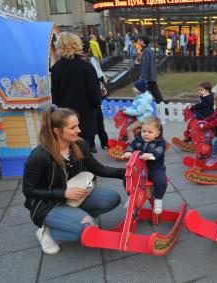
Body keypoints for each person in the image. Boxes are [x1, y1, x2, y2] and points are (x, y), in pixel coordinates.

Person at [23, 105, 125, 255]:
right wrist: (64, 193)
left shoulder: (79, 144)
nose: (79, 130)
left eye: (77, 125)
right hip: (47, 204)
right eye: (73, 127)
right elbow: (28, 191)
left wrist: (127, 172)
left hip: (73, 195)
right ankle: (47, 232)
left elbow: (97, 168)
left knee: (112, 198)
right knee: (85, 229)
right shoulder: (39, 156)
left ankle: (75, 219)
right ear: (57, 131)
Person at [51, 32, 101, 153]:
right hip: (86, 114)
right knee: (85, 151)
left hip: (66, 116)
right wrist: (96, 105)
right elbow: (94, 91)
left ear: (60, 47)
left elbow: (55, 93)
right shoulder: (86, 66)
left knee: (69, 150)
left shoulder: (57, 67)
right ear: (77, 45)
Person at [122, 116, 167, 215]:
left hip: (154, 168)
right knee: (127, 178)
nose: (146, 134)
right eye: (144, 131)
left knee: (161, 180)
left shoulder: (160, 143)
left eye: (150, 132)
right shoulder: (138, 140)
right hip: (139, 169)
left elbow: (159, 151)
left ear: (157, 133)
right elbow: (131, 145)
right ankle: (131, 196)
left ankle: (158, 200)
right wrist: (128, 152)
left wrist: (151, 154)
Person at [140, 35, 164, 103]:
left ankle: (140, 110)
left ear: (143, 42)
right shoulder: (150, 50)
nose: (140, 42)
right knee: (157, 96)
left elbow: (146, 66)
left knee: (141, 95)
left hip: (148, 78)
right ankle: (165, 109)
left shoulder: (146, 51)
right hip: (152, 77)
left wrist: (143, 78)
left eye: (141, 40)